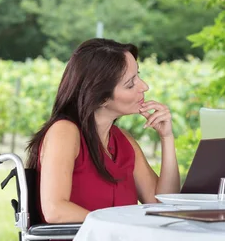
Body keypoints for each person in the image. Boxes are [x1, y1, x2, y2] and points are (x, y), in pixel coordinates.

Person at [26, 38, 180, 223]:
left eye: (138, 75)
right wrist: (122, 225)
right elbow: (55, 210)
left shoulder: (123, 141)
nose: (144, 86)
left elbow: (163, 205)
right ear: (101, 98)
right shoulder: (64, 132)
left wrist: (167, 137)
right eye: (130, 84)